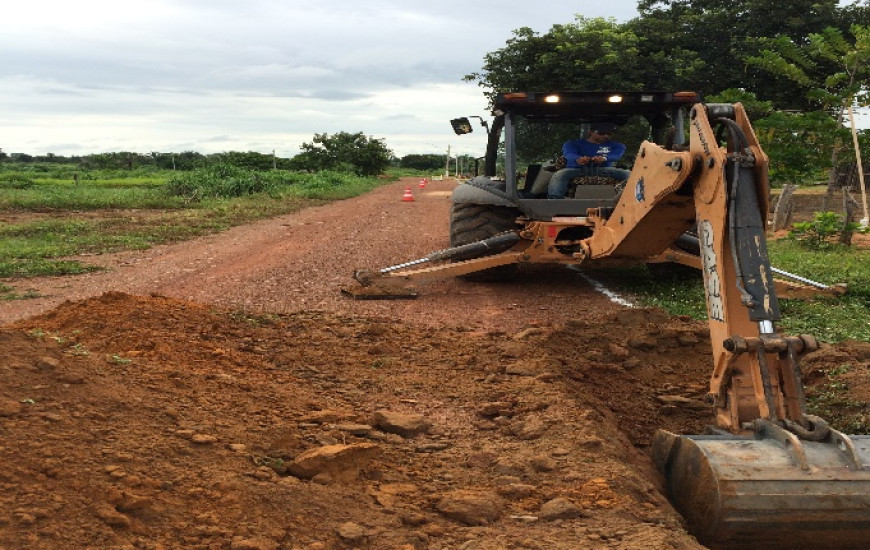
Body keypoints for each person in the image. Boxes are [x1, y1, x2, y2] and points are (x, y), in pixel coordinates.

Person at [546, 122, 631, 199]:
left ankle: (630, 199)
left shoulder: (617, 145)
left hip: (603, 170)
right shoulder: (572, 143)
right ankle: (554, 200)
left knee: (628, 174)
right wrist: (578, 159)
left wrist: (604, 158)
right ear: (590, 132)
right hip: (577, 169)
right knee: (560, 174)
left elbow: (616, 155)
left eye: (609, 134)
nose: (606, 136)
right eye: (601, 133)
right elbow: (568, 153)